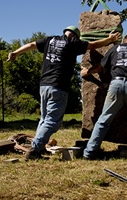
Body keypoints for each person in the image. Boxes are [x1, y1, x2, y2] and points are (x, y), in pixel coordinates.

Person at [7, 25, 121, 160]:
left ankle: (38, 147)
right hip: (58, 86)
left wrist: (16, 52)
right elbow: (92, 45)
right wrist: (109, 39)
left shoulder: (50, 40)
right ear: (75, 36)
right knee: (52, 121)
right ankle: (35, 150)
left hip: (44, 85)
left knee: (44, 119)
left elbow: (32, 44)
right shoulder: (72, 43)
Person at [81, 34, 127, 160]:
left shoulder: (115, 49)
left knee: (104, 120)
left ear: (124, 40)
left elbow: (100, 67)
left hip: (116, 84)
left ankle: (89, 152)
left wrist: (87, 72)